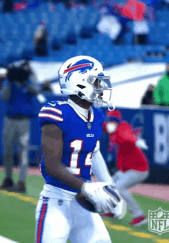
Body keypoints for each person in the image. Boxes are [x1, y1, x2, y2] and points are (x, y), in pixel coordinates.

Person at [35, 56, 126, 243]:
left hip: (84, 204)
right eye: (97, 81)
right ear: (80, 83)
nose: (103, 87)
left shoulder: (96, 115)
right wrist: (86, 187)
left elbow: (95, 153)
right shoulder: (57, 113)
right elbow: (52, 166)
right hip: (56, 202)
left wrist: (112, 191)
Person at [102, 109, 149, 226]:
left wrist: (136, 141)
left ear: (117, 122)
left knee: (120, 188)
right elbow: (100, 123)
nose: (110, 124)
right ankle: (113, 211)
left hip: (138, 169)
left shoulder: (122, 128)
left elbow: (128, 136)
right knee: (110, 186)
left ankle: (139, 216)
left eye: (112, 121)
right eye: (109, 121)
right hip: (126, 170)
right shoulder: (111, 130)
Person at [0, 65, 39, 194]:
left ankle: (21, 182)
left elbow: (35, 92)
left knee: (23, 152)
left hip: (24, 120)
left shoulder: (29, 81)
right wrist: (9, 80)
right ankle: (8, 179)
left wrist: (26, 81)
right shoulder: (9, 82)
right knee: (7, 151)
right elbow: (4, 96)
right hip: (10, 119)